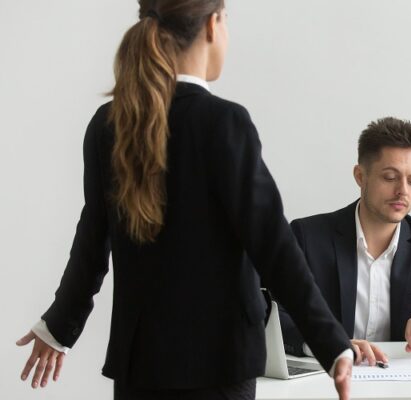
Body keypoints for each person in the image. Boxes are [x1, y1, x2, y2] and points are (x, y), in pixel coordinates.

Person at [15, 1, 354, 399]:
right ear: (212, 26)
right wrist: (332, 346)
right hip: (220, 364)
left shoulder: (108, 124)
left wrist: (59, 326)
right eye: (227, 21)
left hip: (140, 363)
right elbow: (274, 247)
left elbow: (92, 241)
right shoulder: (225, 122)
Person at [279, 117, 411, 365]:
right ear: (361, 176)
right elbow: (271, 315)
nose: (403, 191)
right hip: (327, 383)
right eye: (390, 177)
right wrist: (326, 342)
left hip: (402, 384)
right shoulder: (308, 236)